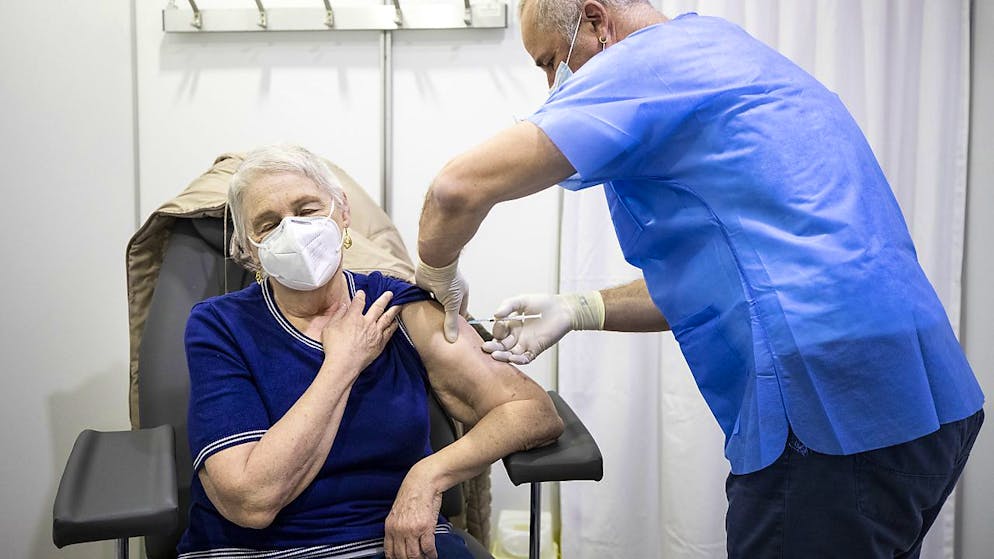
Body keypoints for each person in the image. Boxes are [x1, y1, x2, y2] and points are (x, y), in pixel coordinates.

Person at [413, 1, 985, 557]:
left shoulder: (643, 64)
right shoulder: (727, 55)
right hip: (925, 400)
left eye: (548, 62)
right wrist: (579, 308)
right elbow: (734, 283)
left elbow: (454, 190)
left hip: (833, 405)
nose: (550, 86)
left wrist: (436, 277)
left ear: (595, 19)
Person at [176, 144, 564, 559]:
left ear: (342, 212)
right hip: (259, 551)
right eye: (269, 224)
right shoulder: (221, 326)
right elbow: (250, 503)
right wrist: (343, 364)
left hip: (402, 541)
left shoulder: (397, 306)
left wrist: (429, 475)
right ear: (248, 248)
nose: (292, 231)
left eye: (307, 210)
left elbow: (531, 411)